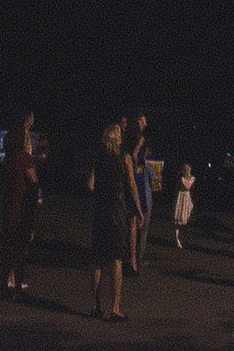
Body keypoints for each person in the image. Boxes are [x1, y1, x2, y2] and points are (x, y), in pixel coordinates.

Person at [87, 120, 135, 322]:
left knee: (97, 258)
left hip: (101, 209)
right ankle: (115, 306)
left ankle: (96, 305)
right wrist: (138, 209)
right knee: (116, 258)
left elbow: (90, 185)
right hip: (116, 208)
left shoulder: (98, 159)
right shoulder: (124, 158)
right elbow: (131, 186)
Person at [0, 115, 41, 295]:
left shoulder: (8, 158)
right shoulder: (24, 158)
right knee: (21, 244)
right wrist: (38, 195)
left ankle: (7, 277)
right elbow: (32, 180)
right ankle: (18, 280)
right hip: (22, 203)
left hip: (10, 202)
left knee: (9, 241)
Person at [128, 113, 154, 268]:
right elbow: (132, 155)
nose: (143, 123)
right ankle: (133, 258)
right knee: (136, 221)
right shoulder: (137, 138)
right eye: (141, 120)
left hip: (142, 184)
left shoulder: (143, 139)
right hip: (137, 184)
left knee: (140, 224)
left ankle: (137, 257)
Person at [170, 163, 194, 250]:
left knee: (186, 219)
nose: (188, 170)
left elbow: (189, 187)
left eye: (188, 169)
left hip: (187, 199)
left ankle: (184, 239)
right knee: (177, 220)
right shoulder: (181, 179)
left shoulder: (192, 178)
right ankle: (177, 240)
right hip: (180, 198)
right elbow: (185, 186)